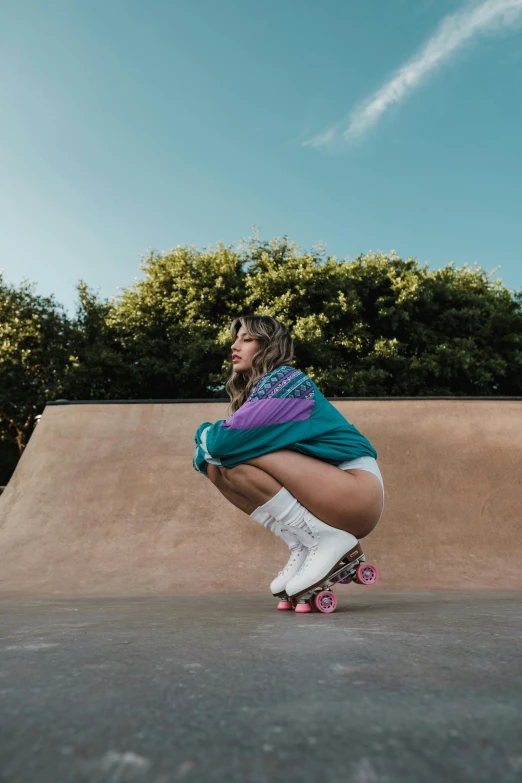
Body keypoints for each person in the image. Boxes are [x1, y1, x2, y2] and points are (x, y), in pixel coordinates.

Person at [193, 315, 384, 611]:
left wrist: (203, 433)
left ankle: (327, 540)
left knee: (236, 454)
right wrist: (210, 451)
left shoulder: (287, 382)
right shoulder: (260, 394)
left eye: (247, 339)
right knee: (219, 468)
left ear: (268, 346)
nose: (235, 345)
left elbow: (220, 443)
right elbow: (214, 455)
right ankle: (304, 542)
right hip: (328, 491)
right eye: (235, 339)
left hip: (356, 489)